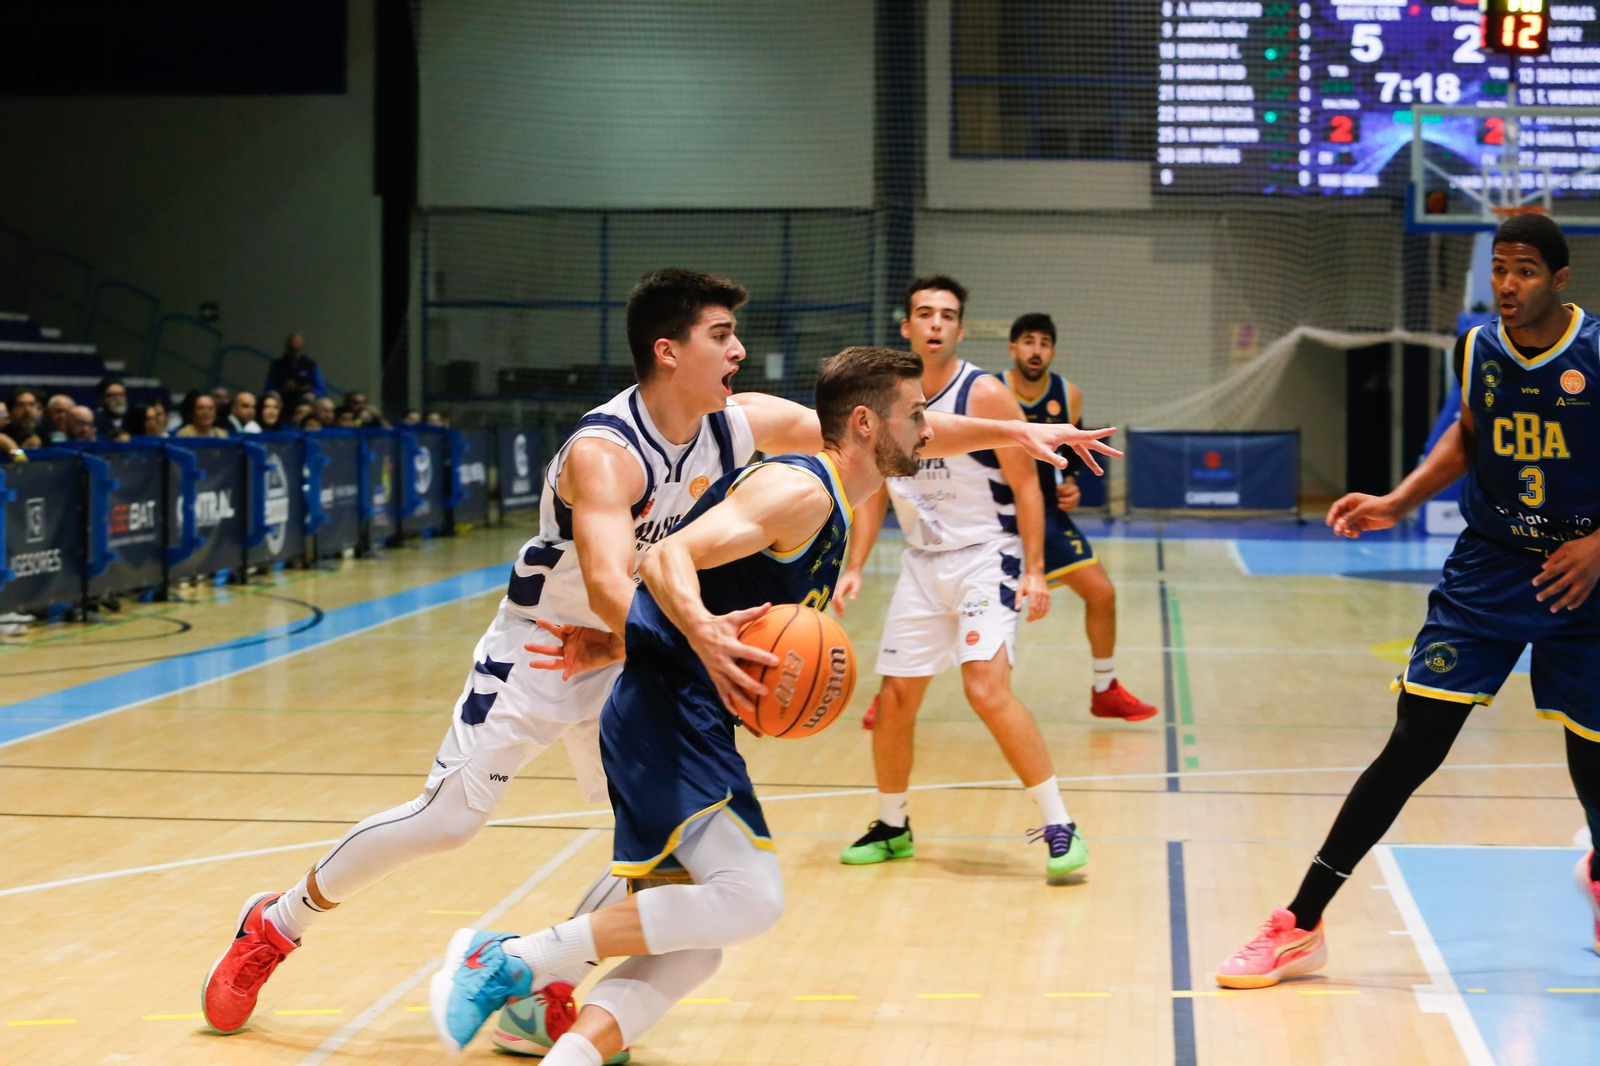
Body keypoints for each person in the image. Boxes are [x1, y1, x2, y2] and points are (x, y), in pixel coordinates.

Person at [198, 268, 1111, 1048]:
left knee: (657, 854)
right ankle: (274, 924)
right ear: (669, 351)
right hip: (547, 648)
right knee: (447, 823)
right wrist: (694, 630)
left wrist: (1019, 435)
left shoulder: (735, 420)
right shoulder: (605, 452)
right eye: (723, 336)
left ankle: (538, 992)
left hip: (632, 652)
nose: (739, 351)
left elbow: (876, 431)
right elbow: (605, 582)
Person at [426, 343, 1119, 1061]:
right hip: (668, 716)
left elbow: (719, 599)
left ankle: (569, 1048)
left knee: (697, 949)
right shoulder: (801, 489)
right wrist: (695, 636)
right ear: (863, 425)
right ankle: (509, 960)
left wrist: (1023, 435)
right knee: (750, 898)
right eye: (917, 416)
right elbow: (664, 559)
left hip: (689, 712)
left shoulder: (843, 494)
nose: (929, 428)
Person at [1216, 214, 1600, 989]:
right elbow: (1469, 433)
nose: (1507, 284)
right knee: (1412, 744)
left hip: (1582, 575)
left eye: (1525, 271)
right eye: (1499, 268)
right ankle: (1301, 923)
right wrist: (1399, 498)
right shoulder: (1477, 346)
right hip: (1490, 570)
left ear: (1560, 280)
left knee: (1594, 758)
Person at [832, 275, 1091, 882]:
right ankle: (892, 826)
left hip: (985, 558)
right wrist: (855, 566)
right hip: (921, 566)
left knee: (985, 690)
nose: (935, 324)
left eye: (947, 315)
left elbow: (1027, 486)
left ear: (960, 328)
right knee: (895, 698)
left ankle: (1059, 825)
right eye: (925, 313)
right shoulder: (879, 397)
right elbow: (870, 493)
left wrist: (1034, 569)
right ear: (907, 326)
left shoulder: (985, 393)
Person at [995, 312, 1156, 720]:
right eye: (1028, 341)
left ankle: (1105, 688)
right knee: (951, 607)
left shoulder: (1068, 394)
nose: (1036, 350)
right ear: (1013, 348)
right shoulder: (990, 391)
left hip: (1046, 514)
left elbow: (1070, 455)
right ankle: (895, 690)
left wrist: (1070, 484)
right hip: (994, 516)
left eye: (1045, 342)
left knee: (1102, 593)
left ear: (1053, 351)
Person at [264, 333, 326, 408]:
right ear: (287, 347)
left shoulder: (311, 365)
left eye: (298, 349)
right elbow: (269, 388)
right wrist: (282, 389)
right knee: (272, 397)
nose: (295, 353)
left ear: (303, 347)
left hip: (304, 399)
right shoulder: (277, 365)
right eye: (292, 349)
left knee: (311, 398)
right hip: (282, 398)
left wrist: (307, 389)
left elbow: (321, 389)